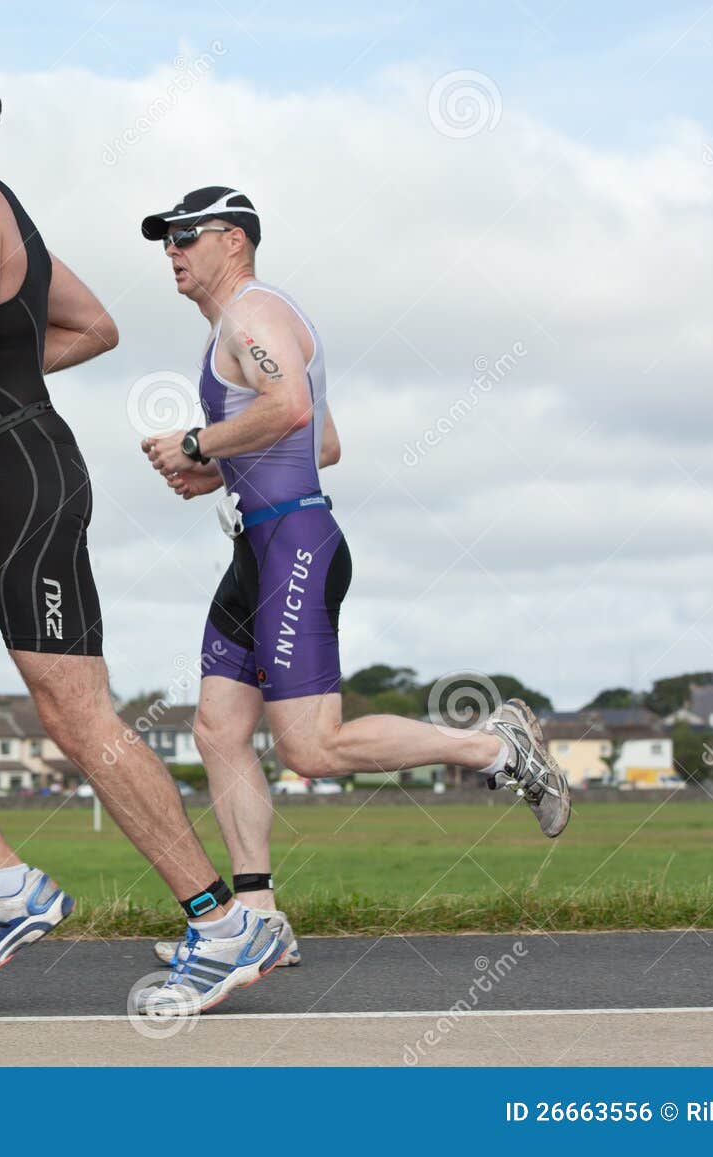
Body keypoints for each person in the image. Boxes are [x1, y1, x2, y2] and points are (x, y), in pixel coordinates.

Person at [0, 50, 287, 1017]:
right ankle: (4, 884)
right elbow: (90, 327)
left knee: (76, 715)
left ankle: (221, 919)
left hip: (21, 483)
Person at [138, 186, 571, 965]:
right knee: (217, 728)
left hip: (293, 545)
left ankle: (494, 747)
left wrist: (201, 445)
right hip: (255, 549)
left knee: (310, 747)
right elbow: (326, 440)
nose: (171, 250)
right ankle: (258, 916)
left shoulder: (252, 315)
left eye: (184, 236)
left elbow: (295, 409)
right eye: (165, 239)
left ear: (232, 241)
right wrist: (222, 473)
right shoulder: (233, 329)